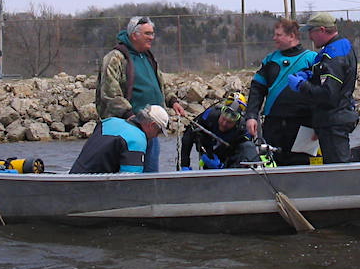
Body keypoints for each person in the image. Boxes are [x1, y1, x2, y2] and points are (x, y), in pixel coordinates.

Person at [95, 16, 186, 172]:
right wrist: (130, 115)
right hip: (128, 131)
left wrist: (173, 101)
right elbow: (110, 93)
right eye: (147, 34)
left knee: (151, 174)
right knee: (130, 174)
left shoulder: (148, 57)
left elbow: (159, 84)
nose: (152, 37)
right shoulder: (115, 58)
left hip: (151, 130)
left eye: (152, 33)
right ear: (134, 35)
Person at [287, 12, 359, 164]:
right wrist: (311, 74)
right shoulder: (339, 47)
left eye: (311, 32)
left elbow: (329, 94)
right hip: (334, 118)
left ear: (321, 30)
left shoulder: (334, 55)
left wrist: (302, 86)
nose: (310, 37)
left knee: (338, 170)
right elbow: (332, 79)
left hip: (334, 121)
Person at [245, 18, 317, 165]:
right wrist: (251, 115)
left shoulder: (311, 59)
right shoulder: (270, 60)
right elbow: (257, 89)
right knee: (273, 163)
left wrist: (319, 123)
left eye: (278, 35)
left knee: (300, 166)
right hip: (274, 123)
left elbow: (321, 93)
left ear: (291, 36)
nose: (274, 38)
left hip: (302, 124)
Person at [70, 105, 169, 174]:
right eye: (158, 132)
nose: (156, 137)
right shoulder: (137, 140)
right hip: (92, 188)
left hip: (74, 175)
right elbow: (130, 182)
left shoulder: (109, 121)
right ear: (152, 126)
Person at [179, 92, 259, 170]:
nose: (224, 124)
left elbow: (247, 153)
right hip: (209, 156)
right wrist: (185, 165)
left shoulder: (243, 128)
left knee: (248, 147)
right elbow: (188, 135)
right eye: (223, 119)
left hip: (230, 160)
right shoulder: (210, 115)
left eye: (229, 122)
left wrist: (224, 167)